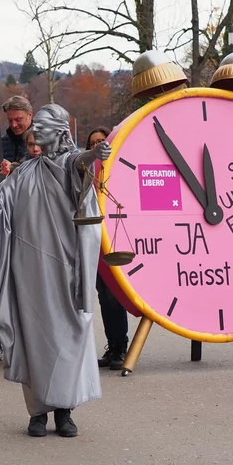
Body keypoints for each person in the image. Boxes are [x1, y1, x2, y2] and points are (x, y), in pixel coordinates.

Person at [0, 103, 110, 437]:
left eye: (43, 127)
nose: (36, 132)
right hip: (28, 270)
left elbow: (78, 163)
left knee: (68, 334)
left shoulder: (67, 166)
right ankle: (38, 412)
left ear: (60, 131)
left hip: (65, 269)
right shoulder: (22, 174)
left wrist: (93, 153)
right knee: (34, 337)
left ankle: (65, 410)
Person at [86, 127, 129, 370]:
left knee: (114, 297)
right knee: (104, 296)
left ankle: (121, 346)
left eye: (101, 141)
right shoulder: (86, 171)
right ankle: (113, 346)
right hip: (94, 241)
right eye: (92, 143)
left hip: (113, 239)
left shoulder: (117, 168)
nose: (97, 146)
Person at [0, 95, 34, 176]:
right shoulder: (2, 143)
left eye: (18, 120)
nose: (14, 125)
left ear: (30, 115)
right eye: (10, 120)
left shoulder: (42, 141)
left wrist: (12, 168)